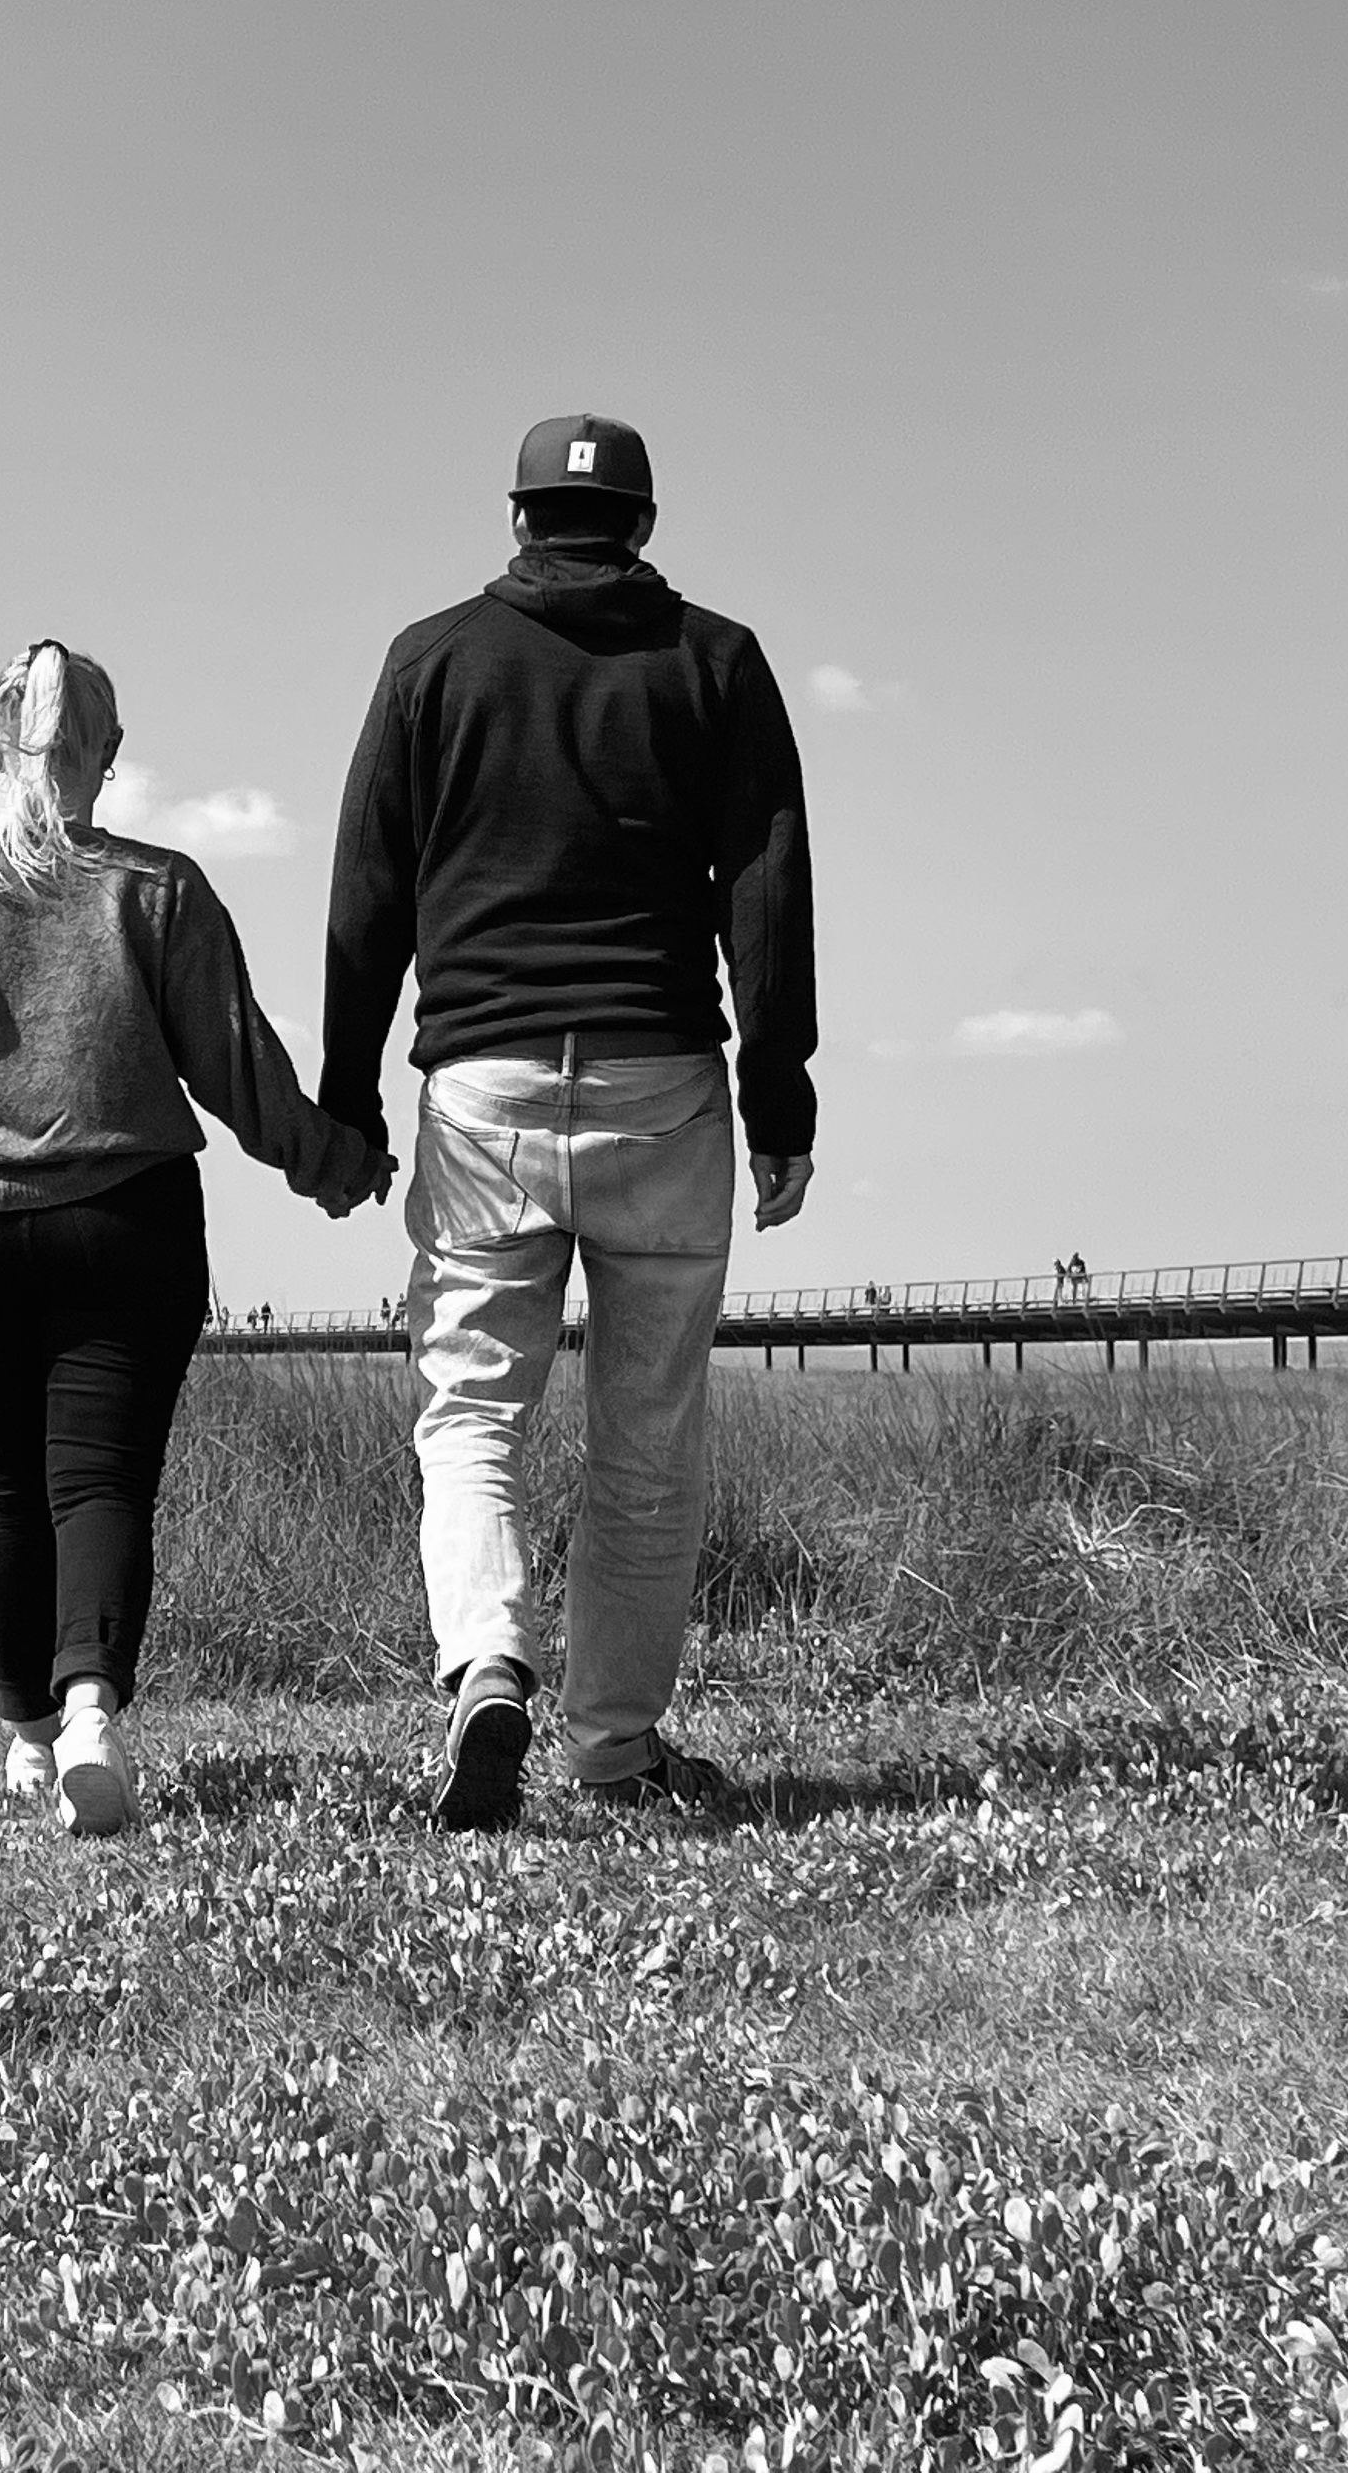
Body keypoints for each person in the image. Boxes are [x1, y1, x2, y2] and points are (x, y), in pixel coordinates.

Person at [320, 414, 818, 1831]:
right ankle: (614, 1747)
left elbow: (367, 892)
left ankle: (489, 1662)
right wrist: (779, 1095)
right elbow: (768, 888)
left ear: (516, 518)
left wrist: (349, 1096)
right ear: (644, 526)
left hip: (482, 1085)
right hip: (662, 1085)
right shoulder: (718, 661)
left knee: (472, 1411)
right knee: (646, 1442)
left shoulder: (430, 661)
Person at [0, 640, 386, 1837]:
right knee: (103, 1482)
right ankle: (89, 1717)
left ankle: (29, 1739)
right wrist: (334, 1163)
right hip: (128, 1224)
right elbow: (240, 1069)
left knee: (6, 1487)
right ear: (111, 752)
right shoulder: (158, 890)